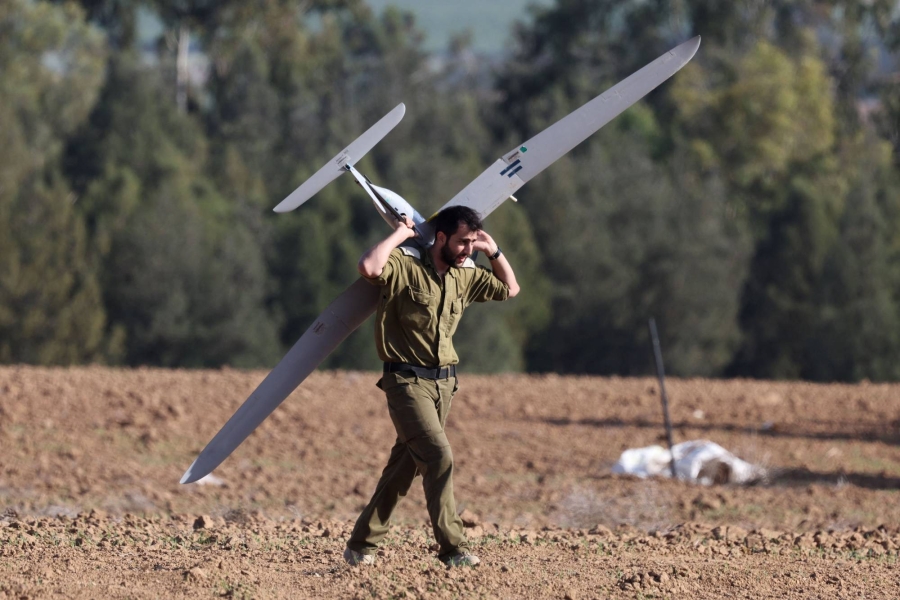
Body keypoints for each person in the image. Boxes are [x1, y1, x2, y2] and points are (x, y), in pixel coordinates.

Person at [343, 205, 519, 568]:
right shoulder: (406, 266)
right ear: (440, 238)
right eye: (462, 242)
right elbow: (370, 267)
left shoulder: (463, 276)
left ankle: (360, 546)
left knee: (404, 467)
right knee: (439, 456)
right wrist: (401, 234)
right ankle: (453, 549)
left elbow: (510, 288)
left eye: (472, 242)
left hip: (444, 386)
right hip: (406, 382)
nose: (468, 249)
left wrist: (493, 250)